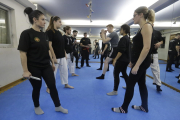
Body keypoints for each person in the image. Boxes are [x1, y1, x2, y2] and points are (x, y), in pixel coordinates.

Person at [18, 7, 68, 115]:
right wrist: (25, 70)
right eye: (42, 19)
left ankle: (58, 106)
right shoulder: (26, 34)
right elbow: (23, 53)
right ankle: (36, 106)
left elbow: (47, 50)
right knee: (37, 87)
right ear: (35, 20)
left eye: (44, 20)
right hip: (33, 67)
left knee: (52, 86)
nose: (45, 22)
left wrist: (52, 62)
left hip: (46, 65)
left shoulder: (44, 34)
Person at [112, 6, 155, 113]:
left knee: (130, 84)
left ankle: (123, 108)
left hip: (142, 62)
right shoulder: (143, 27)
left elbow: (146, 48)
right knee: (141, 84)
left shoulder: (146, 26)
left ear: (141, 15)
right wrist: (133, 61)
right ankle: (144, 107)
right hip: (140, 61)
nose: (132, 18)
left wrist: (137, 65)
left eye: (134, 15)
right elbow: (138, 48)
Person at [46, 16, 74, 93]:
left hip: (62, 55)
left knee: (64, 70)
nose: (61, 24)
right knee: (52, 73)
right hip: (55, 56)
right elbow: (49, 45)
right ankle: (49, 87)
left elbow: (62, 44)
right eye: (60, 22)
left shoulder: (59, 32)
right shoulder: (49, 32)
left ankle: (66, 84)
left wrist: (64, 53)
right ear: (54, 21)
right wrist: (54, 57)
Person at [107, 24, 131, 96]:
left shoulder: (123, 39)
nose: (120, 31)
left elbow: (121, 51)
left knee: (116, 74)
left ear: (123, 30)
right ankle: (129, 87)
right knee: (124, 73)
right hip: (126, 60)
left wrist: (115, 60)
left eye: (121, 29)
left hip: (122, 60)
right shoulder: (127, 38)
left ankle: (115, 91)